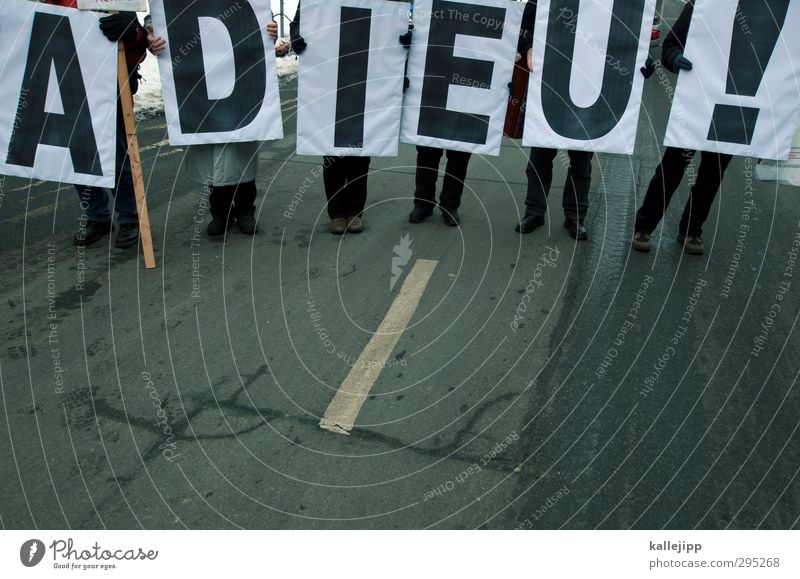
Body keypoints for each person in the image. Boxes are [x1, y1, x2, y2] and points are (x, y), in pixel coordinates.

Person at [291, 1, 411, 235]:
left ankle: (355, 211)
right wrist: (296, 35)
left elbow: (398, 21)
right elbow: (299, 20)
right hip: (329, 77)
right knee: (332, 151)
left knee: (360, 153)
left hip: (366, 75)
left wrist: (405, 39)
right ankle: (336, 213)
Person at [38, 0, 149, 249]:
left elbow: (138, 50)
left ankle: (129, 217)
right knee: (80, 155)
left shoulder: (110, 2)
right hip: (66, 91)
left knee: (119, 155)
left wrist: (132, 33)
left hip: (109, 89)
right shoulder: (46, 4)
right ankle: (97, 216)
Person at [632, 0, 733, 255]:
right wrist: (675, 58)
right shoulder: (701, 5)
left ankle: (691, 230)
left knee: (712, 174)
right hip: (696, 105)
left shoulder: (771, 14)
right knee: (672, 168)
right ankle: (644, 227)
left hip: (735, 110)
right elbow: (670, 45)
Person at [515, 0, 592, 241]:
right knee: (539, 157)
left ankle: (575, 217)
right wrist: (527, 45)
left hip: (587, 87)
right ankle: (534, 211)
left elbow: (624, 37)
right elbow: (522, 26)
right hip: (547, 86)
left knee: (581, 161)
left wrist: (638, 63)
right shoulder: (539, 1)